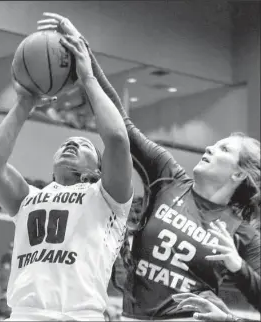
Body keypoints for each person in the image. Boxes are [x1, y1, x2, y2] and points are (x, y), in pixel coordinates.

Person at [36, 13, 260, 320]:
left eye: (223, 149)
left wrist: (232, 314)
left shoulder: (244, 233)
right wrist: (84, 56)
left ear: (238, 173)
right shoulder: (168, 176)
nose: (209, 147)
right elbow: (122, 125)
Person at [0, 32, 133, 321]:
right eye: (65, 143)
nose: (71, 144)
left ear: (98, 171)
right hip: (25, 314)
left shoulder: (107, 197)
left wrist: (88, 78)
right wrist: (24, 103)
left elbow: (117, 139)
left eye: (84, 145)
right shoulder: (29, 199)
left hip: (79, 315)